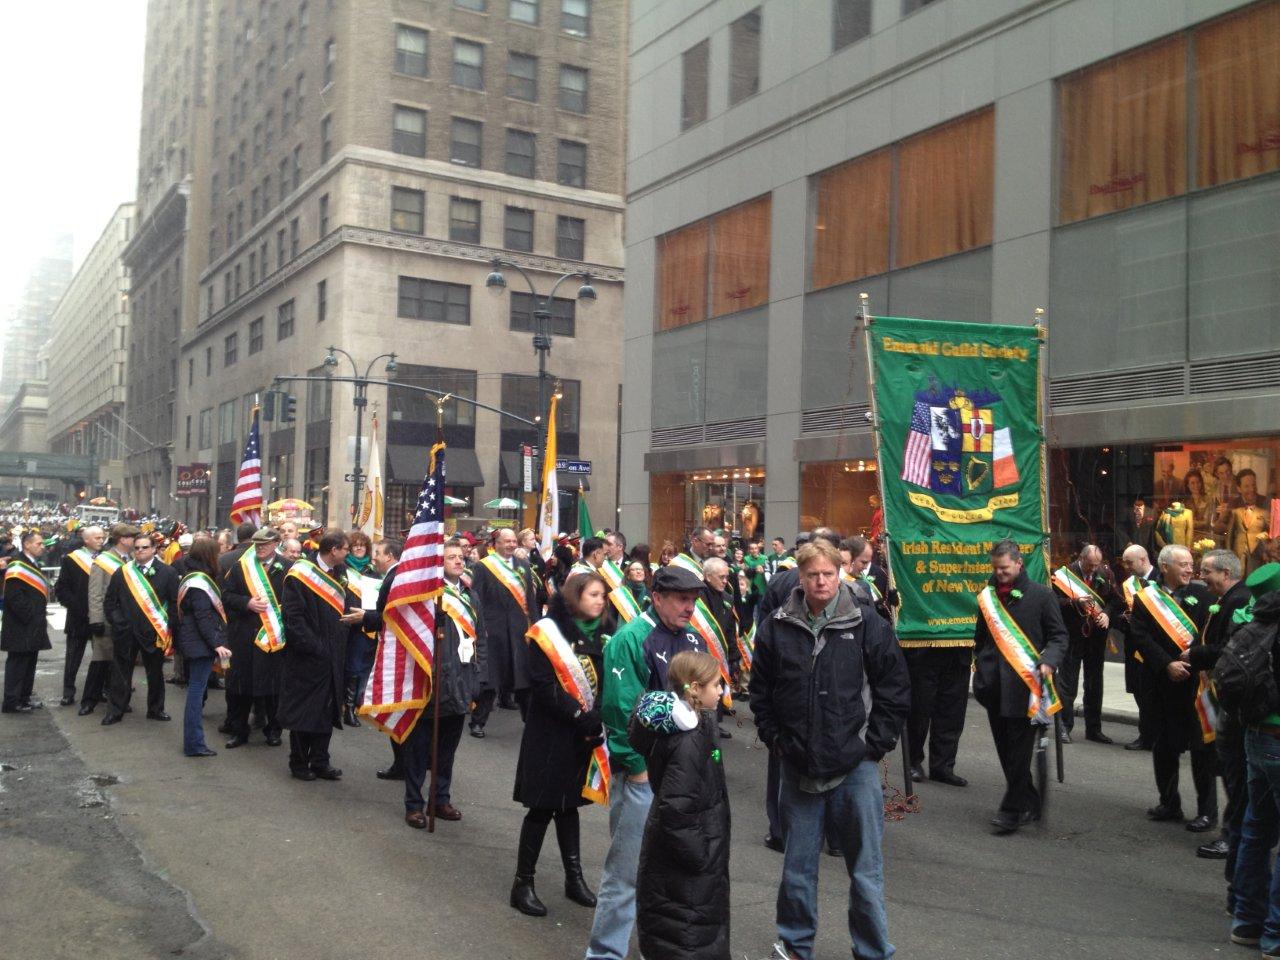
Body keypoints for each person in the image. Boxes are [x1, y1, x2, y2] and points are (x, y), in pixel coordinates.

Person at [749, 538, 909, 960]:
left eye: (829, 574)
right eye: (813, 575)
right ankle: (795, 946)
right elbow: (760, 693)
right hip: (798, 767)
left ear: (840, 574)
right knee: (798, 870)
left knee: (866, 871)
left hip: (855, 767)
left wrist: (874, 745)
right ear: (800, 577)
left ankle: (873, 950)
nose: (821, 582)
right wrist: (776, 739)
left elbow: (894, 687)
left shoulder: (866, 622)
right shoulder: (776, 626)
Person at [584, 565, 706, 960]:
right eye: (681, 599)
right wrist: (638, 770)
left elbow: (703, 707)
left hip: (682, 778)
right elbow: (620, 711)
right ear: (657, 598)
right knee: (626, 874)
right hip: (644, 777)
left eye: (693, 600)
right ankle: (605, 954)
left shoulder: (691, 637)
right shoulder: (631, 638)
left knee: (670, 874)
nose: (690, 607)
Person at [511, 572, 610, 917]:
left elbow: (607, 682)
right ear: (574, 596)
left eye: (603, 595)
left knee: (569, 806)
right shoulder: (546, 632)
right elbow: (543, 685)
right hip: (551, 731)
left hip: (583, 732)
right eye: (594, 594)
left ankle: (574, 878)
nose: (600, 600)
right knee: (541, 806)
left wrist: (595, 717)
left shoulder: (603, 634)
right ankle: (523, 883)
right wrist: (578, 714)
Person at [630, 651, 730, 960]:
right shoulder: (689, 742)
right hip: (687, 873)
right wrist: (701, 856)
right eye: (716, 684)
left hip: (683, 869)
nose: (722, 691)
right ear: (695, 689)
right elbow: (675, 810)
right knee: (686, 942)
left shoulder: (697, 725)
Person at [971, 539, 1068, 835]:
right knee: (1005, 751)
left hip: (1027, 688)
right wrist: (982, 665)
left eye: (1004, 569)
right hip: (993, 688)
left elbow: (1059, 636)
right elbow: (981, 637)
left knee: (1020, 751)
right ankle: (1030, 801)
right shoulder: (987, 598)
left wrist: (1049, 660)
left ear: (1018, 563)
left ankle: (1011, 810)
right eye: (996, 569)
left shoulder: (1041, 595)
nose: (1000, 574)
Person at [394, 538, 485, 825]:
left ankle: (440, 799)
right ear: (438, 563)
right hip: (431, 682)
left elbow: (480, 639)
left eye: (461, 556)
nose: (458, 561)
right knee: (420, 749)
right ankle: (414, 804)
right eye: (451, 557)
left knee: (446, 751)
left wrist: (478, 676)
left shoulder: (470, 596)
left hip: (462, 680)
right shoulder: (428, 595)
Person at [1131, 543, 1216, 828]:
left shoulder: (1203, 594)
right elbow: (1141, 638)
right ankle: (1169, 803)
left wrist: (1195, 664)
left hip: (1195, 684)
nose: (1190, 569)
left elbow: (1209, 635)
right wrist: (1167, 664)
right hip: (1161, 684)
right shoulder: (1145, 598)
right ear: (1164, 567)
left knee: (1201, 749)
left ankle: (1207, 811)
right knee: (1164, 746)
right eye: (1183, 564)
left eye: (1191, 564)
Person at [1185, 551, 1250, 879]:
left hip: (1230, 699)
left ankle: (1232, 836)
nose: (1201, 575)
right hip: (1218, 691)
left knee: (1233, 771)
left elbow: (1228, 648)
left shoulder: (1239, 602)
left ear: (1225, 573)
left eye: (1206, 571)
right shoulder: (1228, 598)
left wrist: (1194, 654)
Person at [1226, 562, 1280, 953]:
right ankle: (1275, 934)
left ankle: (1247, 922)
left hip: (1255, 737)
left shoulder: (1252, 622)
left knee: (1256, 831)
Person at [279, 531, 357, 781]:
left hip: (335, 653)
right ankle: (299, 762)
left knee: (328, 709)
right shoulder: (300, 573)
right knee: (305, 710)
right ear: (333, 549)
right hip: (308, 655)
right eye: (345, 549)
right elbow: (293, 618)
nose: (347, 553)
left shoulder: (341, 572)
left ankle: (321, 760)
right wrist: (316, 648)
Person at [221, 527, 290, 749]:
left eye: (265, 544)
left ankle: (273, 730)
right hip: (244, 636)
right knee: (242, 687)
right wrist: (246, 603)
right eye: (257, 545)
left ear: (276, 543)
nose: (260, 548)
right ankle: (240, 731)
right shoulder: (241, 567)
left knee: (273, 688)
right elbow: (226, 596)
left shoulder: (288, 567)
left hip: (274, 637)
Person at [101, 534, 180, 725]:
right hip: (126, 632)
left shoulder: (168, 573)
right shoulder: (123, 572)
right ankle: (116, 710)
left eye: (144, 547)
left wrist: (171, 629)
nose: (140, 551)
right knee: (120, 672)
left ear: (154, 549)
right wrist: (118, 623)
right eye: (136, 548)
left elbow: (175, 602)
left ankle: (155, 709)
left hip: (154, 632)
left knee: (155, 673)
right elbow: (110, 602)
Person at [470, 526, 539, 734]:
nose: (511, 545)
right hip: (493, 630)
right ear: (496, 544)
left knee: (523, 676)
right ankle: (478, 722)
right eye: (506, 541)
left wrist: (535, 626)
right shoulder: (484, 567)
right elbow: (476, 599)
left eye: (513, 541)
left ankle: (532, 722)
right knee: (491, 679)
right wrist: (478, 629)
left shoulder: (524, 565)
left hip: (519, 629)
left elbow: (530, 600)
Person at [1052, 544, 1120, 745]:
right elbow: (1052, 602)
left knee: (1094, 683)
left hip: (1096, 637)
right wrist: (1074, 602)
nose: (1093, 569)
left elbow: (1115, 600)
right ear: (1081, 558)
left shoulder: (1105, 573)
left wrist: (1107, 614)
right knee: (1067, 683)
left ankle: (1094, 729)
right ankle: (1064, 727)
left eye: (1096, 565)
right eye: (1090, 565)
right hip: (1072, 635)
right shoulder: (1063, 575)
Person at [174, 538, 232, 757]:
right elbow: (203, 616)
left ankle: (194, 742)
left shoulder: (191, 572)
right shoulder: (200, 581)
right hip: (198, 642)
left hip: (193, 639)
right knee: (196, 693)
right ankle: (194, 743)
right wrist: (216, 643)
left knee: (195, 690)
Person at [83, 524, 137, 716]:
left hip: (125, 620)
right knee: (100, 662)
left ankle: (119, 700)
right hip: (106, 619)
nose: (135, 542)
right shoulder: (103, 561)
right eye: (132, 538)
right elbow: (95, 592)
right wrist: (96, 619)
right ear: (122, 539)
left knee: (121, 664)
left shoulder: (131, 559)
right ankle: (89, 700)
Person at [54, 524, 104, 707]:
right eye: (97, 538)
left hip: (100, 617)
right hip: (78, 618)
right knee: (73, 658)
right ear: (86, 540)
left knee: (101, 657)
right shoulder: (72, 560)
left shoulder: (106, 559)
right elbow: (61, 589)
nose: (101, 540)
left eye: (102, 537)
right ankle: (68, 692)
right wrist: (79, 607)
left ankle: (100, 691)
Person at [1, 531, 51, 714]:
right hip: (20, 625)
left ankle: (24, 697)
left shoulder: (32, 563)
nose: (42, 547)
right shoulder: (17, 565)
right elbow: (14, 598)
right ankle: (12, 701)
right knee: (17, 664)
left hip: (32, 624)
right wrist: (30, 616)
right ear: (27, 545)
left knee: (29, 663)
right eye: (39, 544)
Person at [1118, 543, 1159, 751]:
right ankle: (1147, 734)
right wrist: (1124, 618)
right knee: (1139, 692)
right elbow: (1119, 611)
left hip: (1154, 648)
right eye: (1124, 562)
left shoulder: (1159, 580)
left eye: (1129, 562)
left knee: (1152, 694)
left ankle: (1150, 736)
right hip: (1134, 647)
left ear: (1143, 560)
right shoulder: (1128, 584)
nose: (1126, 566)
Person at [341, 530, 379, 727]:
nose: (358, 548)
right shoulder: (341, 568)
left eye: (362, 545)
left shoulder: (373, 571)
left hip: (366, 624)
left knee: (361, 666)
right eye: (354, 544)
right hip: (345, 622)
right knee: (347, 665)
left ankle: (354, 705)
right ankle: (344, 705)